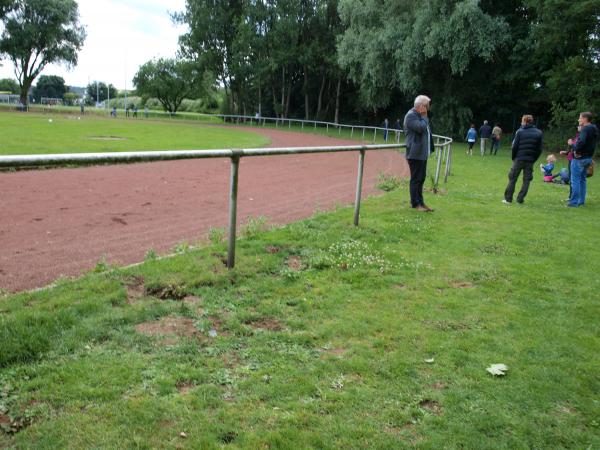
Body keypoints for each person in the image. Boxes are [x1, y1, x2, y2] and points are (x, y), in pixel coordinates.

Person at [404, 95, 435, 212]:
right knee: (416, 179)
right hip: (414, 153)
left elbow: (426, 132)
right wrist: (424, 116)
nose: (428, 108)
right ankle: (415, 204)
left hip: (422, 154)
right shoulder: (411, 116)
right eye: (427, 105)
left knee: (421, 178)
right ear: (421, 106)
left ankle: (421, 202)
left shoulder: (420, 116)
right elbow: (421, 128)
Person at [503, 114, 543, 204]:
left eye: (522, 121)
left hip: (519, 159)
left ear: (524, 121)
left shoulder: (520, 132)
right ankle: (520, 199)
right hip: (530, 160)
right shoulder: (539, 133)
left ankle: (508, 199)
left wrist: (514, 157)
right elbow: (539, 149)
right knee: (526, 180)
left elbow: (514, 146)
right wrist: (534, 159)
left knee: (512, 178)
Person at [568, 111, 598, 207]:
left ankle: (573, 202)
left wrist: (572, 144)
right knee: (582, 180)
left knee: (575, 180)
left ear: (585, 119)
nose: (578, 119)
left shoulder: (585, 130)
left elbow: (580, 144)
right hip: (588, 158)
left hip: (579, 159)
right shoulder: (594, 128)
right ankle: (581, 201)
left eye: (580, 118)